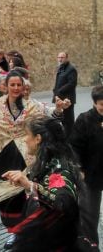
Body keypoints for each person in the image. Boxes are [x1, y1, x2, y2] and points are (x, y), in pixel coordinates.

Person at [0, 71, 71, 244]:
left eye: (19, 85)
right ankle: (12, 230)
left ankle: (20, 231)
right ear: (6, 87)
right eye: (13, 85)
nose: (16, 88)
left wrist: (60, 109)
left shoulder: (32, 106)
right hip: (3, 158)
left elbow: (49, 117)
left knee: (25, 198)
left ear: (24, 87)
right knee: (6, 199)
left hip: (28, 160)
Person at [1, 116, 80, 251]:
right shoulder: (47, 160)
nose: (25, 140)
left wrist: (30, 185)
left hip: (52, 240)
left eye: (27, 135)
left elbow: (63, 203)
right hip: (45, 235)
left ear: (38, 139)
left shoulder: (60, 168)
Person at [70, 85, 103, 250]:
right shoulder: (84, 119)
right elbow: (74, 147)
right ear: (95, 103)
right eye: (102, 104)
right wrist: (80, 168)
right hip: (91, 173)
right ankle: (91, 247)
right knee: (89, 215)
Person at [53, 51, 77, 137]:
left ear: (66, 58)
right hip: (59, 97)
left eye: (62, 57)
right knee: (63, 119)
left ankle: (71, 139)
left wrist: (60, 90)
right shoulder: (60, 67)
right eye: (59, 57)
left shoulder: (71, 69)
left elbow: (72, 83)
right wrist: (55, 91)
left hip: (67, 99)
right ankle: (66, 137)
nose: (60, 59)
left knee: (69, 121)